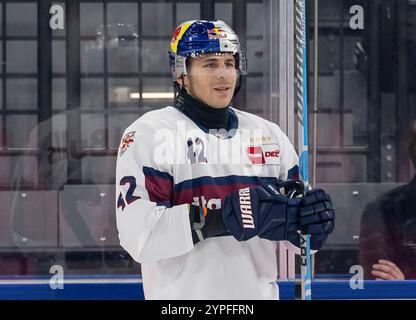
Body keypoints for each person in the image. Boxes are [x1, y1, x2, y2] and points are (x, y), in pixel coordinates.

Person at [115, 20, 335, 299]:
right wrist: (219, 218)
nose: (224, 75)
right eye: (209, 64)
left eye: (229, 63)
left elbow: (296, 244)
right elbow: (140, 237)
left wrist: (311, 225)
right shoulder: (150, 133)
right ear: (181, 73)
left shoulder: (269, 136)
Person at [360, 122, 416, 280]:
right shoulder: (382, 211)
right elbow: (380, 280)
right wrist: (401, 290)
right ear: (410, 149)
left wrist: (406, 287)